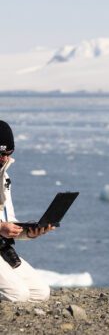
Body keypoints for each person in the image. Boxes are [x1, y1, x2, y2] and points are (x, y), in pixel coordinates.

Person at [0, 120, 54, 302]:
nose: (4, 159)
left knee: (40, 293)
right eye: (0, 153)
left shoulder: (3, 178)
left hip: (2, 249)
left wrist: (30, 232)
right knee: (17, 295)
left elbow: (9, 225)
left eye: (9, 153)